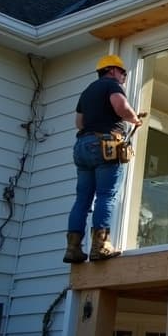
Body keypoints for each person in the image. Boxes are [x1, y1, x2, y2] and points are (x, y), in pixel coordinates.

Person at [63, 54, 144, 263]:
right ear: (112, 70)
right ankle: (100, 246)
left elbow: (79, 123)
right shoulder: (111, 85)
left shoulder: (87, 91)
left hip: (82, 145)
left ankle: (73, 248)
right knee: (106, 195)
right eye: (122, 72)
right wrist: (134, 119)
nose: (124, 76)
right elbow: (120, 106)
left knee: (82, 199)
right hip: (104, 144)